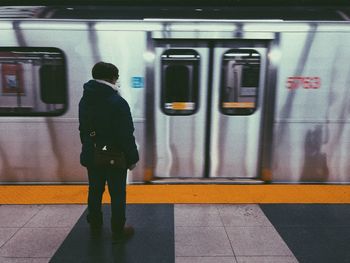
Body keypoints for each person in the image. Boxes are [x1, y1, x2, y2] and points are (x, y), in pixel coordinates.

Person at [79, 61, 139, 243]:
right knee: (117, 193)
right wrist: (132, 157)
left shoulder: (85, 99)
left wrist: (91, 148)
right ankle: (118, 228)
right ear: (112, 78)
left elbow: (84, 129)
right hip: (115, 156)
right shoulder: (117, 102)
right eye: (117, 77)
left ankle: (95, 222)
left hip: (93, 154)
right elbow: (126, 134)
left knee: (95, 190)